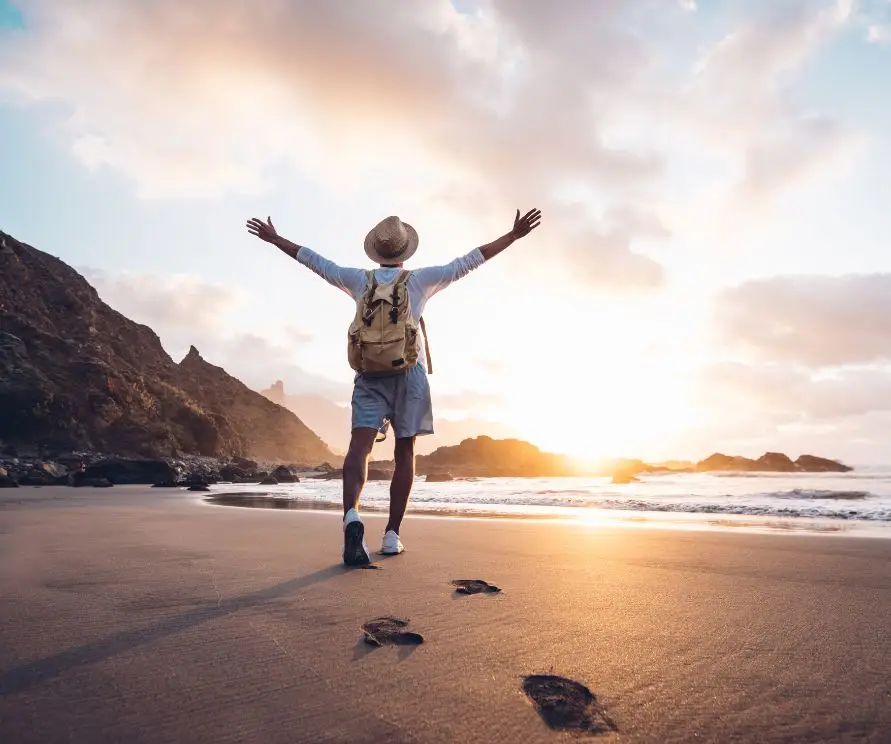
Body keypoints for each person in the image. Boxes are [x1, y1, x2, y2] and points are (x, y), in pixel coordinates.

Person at [246, 208, 542, 565]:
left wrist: (276, 239)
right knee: (405, 452)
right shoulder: (420, 281)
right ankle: (391, 536)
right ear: (404, 253)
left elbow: (315, 261)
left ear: (376, 251)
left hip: (369, 375)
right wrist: (511, 237)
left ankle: (352, 517)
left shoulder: (358, 280)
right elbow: (469, 261)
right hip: (408, 375)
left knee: (360, 448)